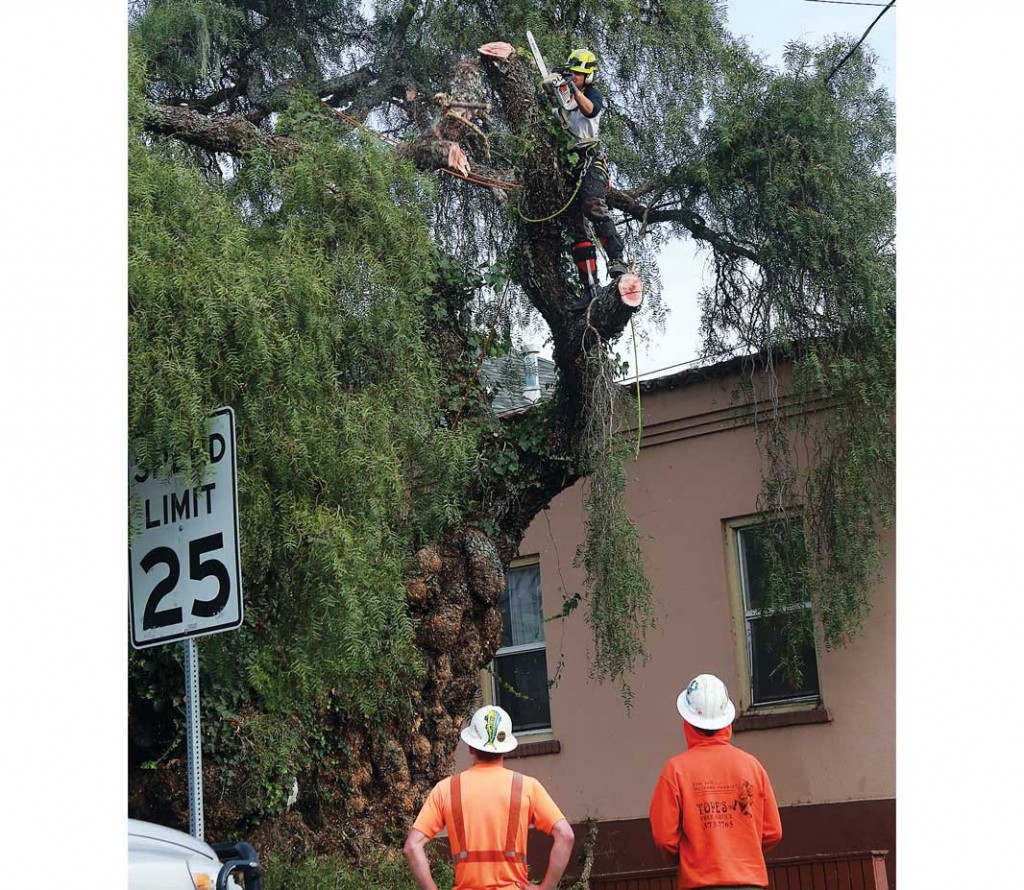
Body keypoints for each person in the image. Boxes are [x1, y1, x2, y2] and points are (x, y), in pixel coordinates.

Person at [404, 705, 575, 890]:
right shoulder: (526, 787)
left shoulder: (446, 789)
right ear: (506, 748)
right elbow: (565, 835)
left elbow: (412, 847)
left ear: (470, 747)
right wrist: (546, 888)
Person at [648, 674, 783, 890]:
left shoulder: (676, 771)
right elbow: (772, 831)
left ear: (687, 721)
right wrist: (742, 853)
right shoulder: (752, 767)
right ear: (727, 720)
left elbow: (665, 839)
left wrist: (692, 860)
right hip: (750, 883)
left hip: (700, 884)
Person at [542, 48, 628, 293]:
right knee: (575, 225)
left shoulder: (591, 94)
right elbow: (545, 107)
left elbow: (591, 110)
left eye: (579, 74)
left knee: (593, 205)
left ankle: (617, 258)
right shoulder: (564, 96)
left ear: (588, 75)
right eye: (572, 74)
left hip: (590, 159)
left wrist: (574, 89)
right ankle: (589, 286)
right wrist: (552, 86)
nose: (575, 77)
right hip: (567, 163)